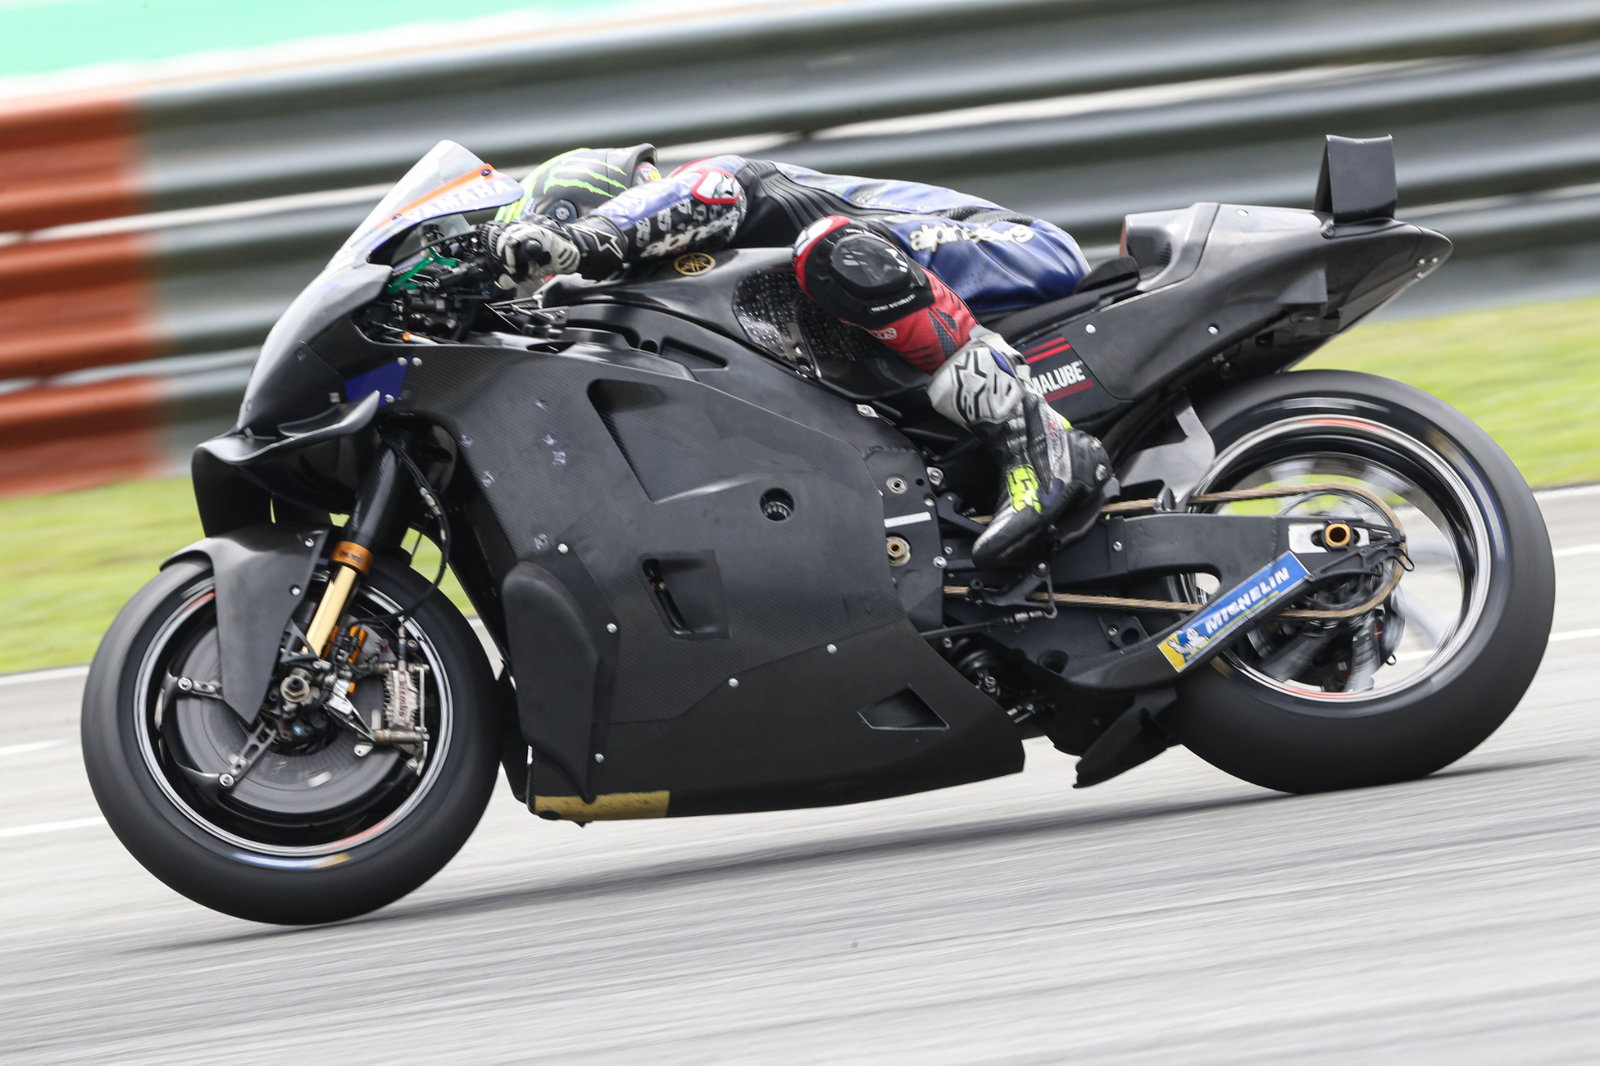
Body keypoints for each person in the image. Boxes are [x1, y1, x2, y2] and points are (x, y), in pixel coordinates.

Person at [477, 145, 1111, 570]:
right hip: (918, 311)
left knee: (833, 249)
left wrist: (585, 239)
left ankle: (1038, 441)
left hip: (1009, 246)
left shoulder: (706, 182)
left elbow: (706, 195)